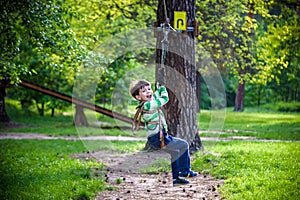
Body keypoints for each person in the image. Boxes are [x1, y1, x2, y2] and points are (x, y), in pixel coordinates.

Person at [129, 79, 198, 185]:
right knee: (184, 145)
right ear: (138, 97)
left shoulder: (147, 103)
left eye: (149, 89)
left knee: (175, 152)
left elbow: (154, 96)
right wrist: (164, 90)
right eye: (144, 91)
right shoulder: (148, 105)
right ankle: (185, 171)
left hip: (157, 137)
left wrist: (159, 88)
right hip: (158, 137)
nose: (148, 92)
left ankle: (176, 179)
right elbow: (164, 99)